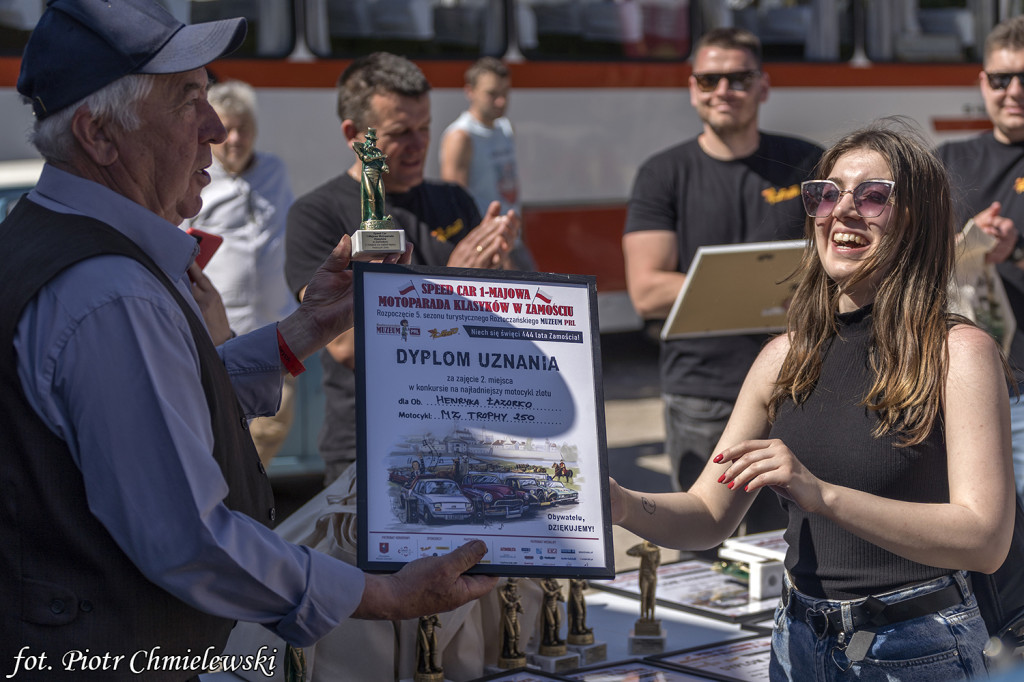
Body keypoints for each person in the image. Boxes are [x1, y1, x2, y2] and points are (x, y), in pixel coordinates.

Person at [0, 3, 497, 677]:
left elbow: (164, 405)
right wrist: (382, 593)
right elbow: (189, 537)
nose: (216, 127)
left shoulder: (68, 245)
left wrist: (301, 331)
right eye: (187, 101)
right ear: (99, 134)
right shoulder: (109, 291)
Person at [611, 121, 1014, 680]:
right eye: (828, 193)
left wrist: (821, 494)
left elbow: (984, 539)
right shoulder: (784, 357)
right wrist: (621, 505)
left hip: (915, 648)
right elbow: (706, 515)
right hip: (797, 642)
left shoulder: (957, 351)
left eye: (873, 196)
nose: (842, 210)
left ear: (916, 220)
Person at [285, 51, 520, 486]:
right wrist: (452, 280)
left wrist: (499, 267)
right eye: (400, 132)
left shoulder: (453, 200)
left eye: (425, 127)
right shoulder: (316, 215)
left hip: (468, 433)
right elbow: (347, 346)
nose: (419, 144)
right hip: (370, 443)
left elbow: (497, 325)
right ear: (355, 135)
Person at [622, 27, 822, 536]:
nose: (723, 90)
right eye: (709, 79)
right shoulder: (663, 174)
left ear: (763, 86)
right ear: (692, 88)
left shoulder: (807, 165)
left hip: (803, 383)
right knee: (714, 549)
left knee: (804, 542)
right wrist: (763, 287)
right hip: (704, 394)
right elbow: (646, 290)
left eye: (739, 78)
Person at [185, 79, 299, 467]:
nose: (235, 139)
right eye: (226, 129)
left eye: (244, 128)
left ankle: (251, 501)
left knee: (270, 428)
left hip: (272, 329)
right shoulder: (196, 177)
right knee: (217, 431)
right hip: (216, 335)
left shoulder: (274, 170)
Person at [935, 15, 1024, 498]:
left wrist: (1017, 251)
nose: (1013, 91)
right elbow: (903, 249)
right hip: (955, 382)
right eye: (1001, 78)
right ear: (982, 82)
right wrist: (959, 248)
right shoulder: (948, 158)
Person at [440, 56, 535, 270]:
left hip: (513, 242)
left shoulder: (504, 128)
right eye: (492, 94)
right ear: (470, 91)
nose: (501, 101)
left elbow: (511, 191)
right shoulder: (462, 136)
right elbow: (456, 205)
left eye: (505, 93)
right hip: (488, 249)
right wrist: (495, 252)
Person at [626, 540, 660, 622]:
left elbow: (657, 563)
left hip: (652, 576)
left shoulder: (657, 551)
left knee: (652, 597)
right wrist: (642, 547)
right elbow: (629, 552)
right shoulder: (643, 549)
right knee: (643, 596)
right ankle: (643, 616)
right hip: (644, 575)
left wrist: (653, 568)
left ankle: (652, 616)